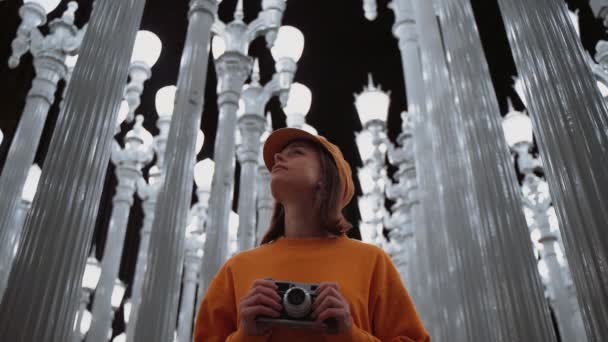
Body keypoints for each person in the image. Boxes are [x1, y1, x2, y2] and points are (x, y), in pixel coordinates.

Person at [194, 127, 430, 341]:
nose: (277, 157)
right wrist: (245, 336)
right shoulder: (236, 269)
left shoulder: (372, 262)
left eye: (296, 152)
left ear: (325, 179)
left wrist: (349, 334)